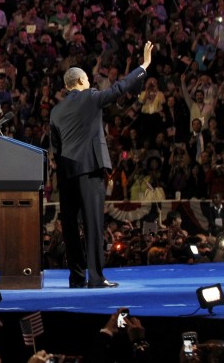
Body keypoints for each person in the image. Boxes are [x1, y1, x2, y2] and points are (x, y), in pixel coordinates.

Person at [50, 41, 153, 288]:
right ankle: (96, 277)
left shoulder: (55, 111)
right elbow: (119, 89)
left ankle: (76, 278)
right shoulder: (92, 96)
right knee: (94, 224)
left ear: (66, 86)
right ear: (83, 81)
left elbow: (56, 147)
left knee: (71, 230)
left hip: (66, 175)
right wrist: (144, 65)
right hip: (89, 170)